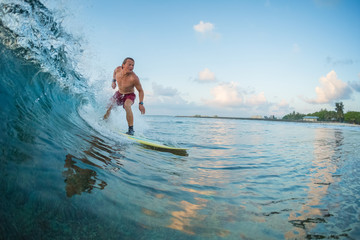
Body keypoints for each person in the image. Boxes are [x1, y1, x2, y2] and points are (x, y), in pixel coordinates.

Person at [103, 57, 145, 135]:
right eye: (129, 65)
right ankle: (104, 121)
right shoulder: (118, 69)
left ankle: (131, 129)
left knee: (127, 105)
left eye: (133, 65)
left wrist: (141, 103)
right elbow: (114, 72)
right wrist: (113, 81)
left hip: (130, 95)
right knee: (109, 105)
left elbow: (141, 91)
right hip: (119, 93)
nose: (131, 67)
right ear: (123, 65)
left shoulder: (134, 78)